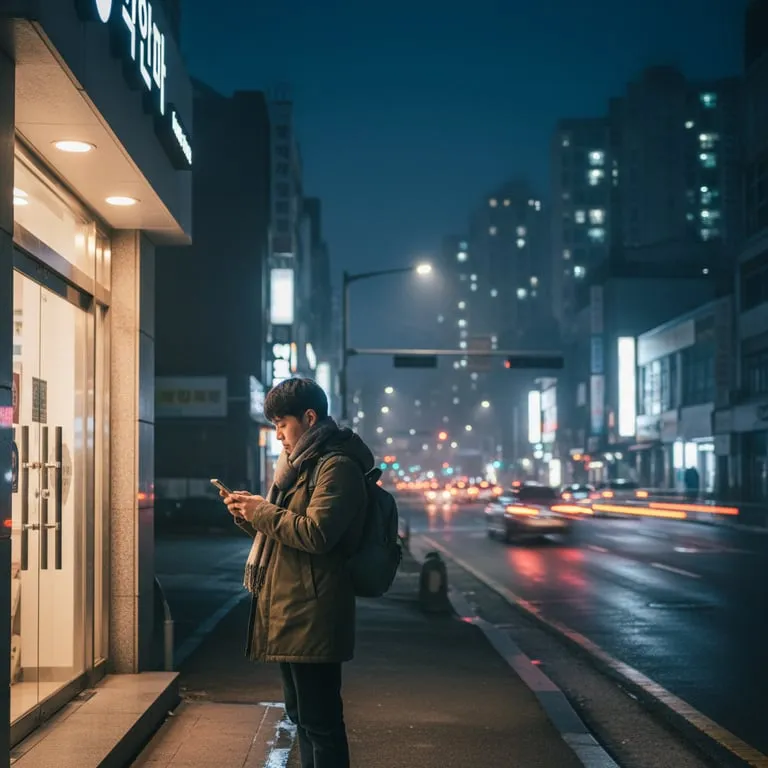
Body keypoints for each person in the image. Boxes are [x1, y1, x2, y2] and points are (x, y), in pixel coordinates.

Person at [221, 377, 373, 768]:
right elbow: (284, 530)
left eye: (282, 425)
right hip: (293, 607)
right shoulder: (297, 469)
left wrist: (262, 511)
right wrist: (248, 513)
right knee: (303, 718)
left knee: (320, 722)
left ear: (309, 417)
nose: (278, 437)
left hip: (314, 611)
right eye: (274, 426)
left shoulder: (336, 467)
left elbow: (316, 533)